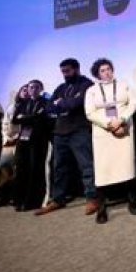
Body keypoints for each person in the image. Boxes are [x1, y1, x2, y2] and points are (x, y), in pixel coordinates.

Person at [35, 58, 97, 216]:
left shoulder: (87, 84)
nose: (65, 74)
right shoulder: (61, 87)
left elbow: (76, 104)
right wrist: (62, 103)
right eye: (63, 71)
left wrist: (61, 103)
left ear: (76, 69)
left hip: (79, 130)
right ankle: (58, 199)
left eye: (67, 71)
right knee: (59, 168)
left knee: (86, 166)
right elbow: (49, 107)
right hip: (60, 132)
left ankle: (92, 198)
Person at [84, 58, 136, 224]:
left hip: (123, 130)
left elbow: (133, 104)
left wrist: (121, 120)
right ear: (97, 74)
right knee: (103, 172)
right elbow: (89, 112)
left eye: (108, 69)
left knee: (127, 167)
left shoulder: (123, 85)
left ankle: (132, 201)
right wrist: (108, 124)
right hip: (103, 134)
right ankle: (102, 209)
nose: (107, 72)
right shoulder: (92, 90)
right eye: (102, 70)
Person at [11, 80, 52, 211]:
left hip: (38, 139)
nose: (33, 89)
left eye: (36, 87)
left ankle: (32, 201)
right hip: (23, 139)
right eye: (30, 87)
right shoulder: (23, 103)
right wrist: (31, 117)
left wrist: (25, 117)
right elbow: (15, 119)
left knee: (35, 169)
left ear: (41, 89)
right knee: (21, 168)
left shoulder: (45, 102)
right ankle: (19, 199)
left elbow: (41, 118)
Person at [0, 84, 28, 209]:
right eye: (24, 90)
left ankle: (15, 196)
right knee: (3, 168)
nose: (26, 92)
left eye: (28, 90)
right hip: (10, 142)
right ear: (19, 92)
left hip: (24, 142)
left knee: (20, 170)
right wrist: (7, 138)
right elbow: (5, 125)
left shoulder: (32, 106)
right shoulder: (12, 107)